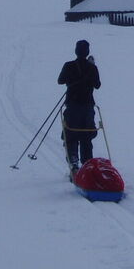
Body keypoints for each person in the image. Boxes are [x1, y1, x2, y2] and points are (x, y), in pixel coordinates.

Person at [57, 39, 101, 177]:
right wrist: (91, 67)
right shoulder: (92, 68)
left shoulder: (69, 65)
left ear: (76, 51)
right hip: (87, 107)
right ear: (87, 52)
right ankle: (87, 165)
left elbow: (60, 81)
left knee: (71, 134)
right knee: (86, 135)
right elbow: (97, 85)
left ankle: (74, 164)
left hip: (72, 106)